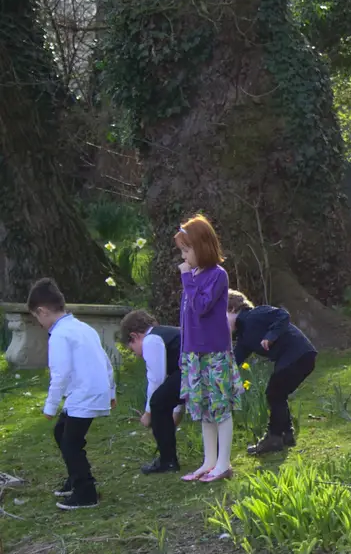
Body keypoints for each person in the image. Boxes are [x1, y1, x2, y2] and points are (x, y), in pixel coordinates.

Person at [28, 278, 115, 510]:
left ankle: (86, 492)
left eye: (37, 318)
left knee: (71, 443)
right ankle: (75, 478)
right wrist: (111, 390)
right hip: (90, 392)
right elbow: (106, 361)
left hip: (84, 395)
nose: (39, 323)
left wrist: (50, 406)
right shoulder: (82, 327)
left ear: (42, 311)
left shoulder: (59, 335)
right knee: (62, 432)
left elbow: (60, 374)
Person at [174, 215, 244, 483]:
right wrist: (183, 352)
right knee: (203, 409)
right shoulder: (192, 277)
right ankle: (209, 460)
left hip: (214, 352)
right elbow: (186, 319)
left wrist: (187, 281)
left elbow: (201, 307)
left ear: (202, 247)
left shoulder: (217, 275)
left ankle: (224, 463)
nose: (184, 256)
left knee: (219, 407)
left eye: (187, 249)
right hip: (194, 353)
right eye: (182, 250)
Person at [228, 290, 318, 455]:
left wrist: (271, 336)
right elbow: (234, 360)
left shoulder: (255, 315)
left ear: (233, 309)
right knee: (277, 393)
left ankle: (275, 437)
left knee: (274, 393)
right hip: (298, 358)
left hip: (298, 353)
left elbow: (282, 315)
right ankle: (286, 434)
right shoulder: (243, 338)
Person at [119, 310, 185, 474]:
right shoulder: (166, 333)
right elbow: (171, 381)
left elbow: (157, 379)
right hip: (190, 371)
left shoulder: (151, 340)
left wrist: (148, 413)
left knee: (157, 402)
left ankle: (167, 460)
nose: (136, 355)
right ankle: (167, 458)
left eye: (132, 348)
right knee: (161, 402)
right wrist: (177, 410)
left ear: (134, 336)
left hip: (189, 372)